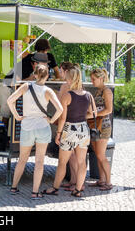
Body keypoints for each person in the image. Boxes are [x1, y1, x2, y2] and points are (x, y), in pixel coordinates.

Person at [6, 65, 63, 199]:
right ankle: (35, 192)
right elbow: (60, 109)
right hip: (42, 127)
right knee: (39, 162)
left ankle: (14, 187)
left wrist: (17, 116)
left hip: (27, 127)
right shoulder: (48, 91)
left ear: (35, 75)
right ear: (47, 76)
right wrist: (50, 119)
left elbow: (10, 101)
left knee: (22, 159)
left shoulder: (26, 86)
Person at [42, 66, 97, 198]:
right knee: (81, 162)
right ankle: (78, 190)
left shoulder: (67, 96)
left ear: (70, 79)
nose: (65, 80)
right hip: (83, 130)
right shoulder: (88, 95)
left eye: (66, 78)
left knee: (62, 162)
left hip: (69, 130)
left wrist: (59, 133)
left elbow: (62, 117)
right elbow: (93, 113)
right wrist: (82, 116)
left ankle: (55, 188)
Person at [0, 51, 50, 125]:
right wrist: (31, 78)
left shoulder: (37, 68)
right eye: (44, 64)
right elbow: (14, 83)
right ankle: (2, 133)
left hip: (16, 89)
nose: (45, 66)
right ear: (35, 63)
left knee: (4, 108)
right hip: (8, 86)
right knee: (6, 113)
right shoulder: (23, 66)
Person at [56, 62, 84, 191]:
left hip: (68, 125)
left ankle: (73, 182)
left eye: (61, 71)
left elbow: (61, 105)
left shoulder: (65, 87)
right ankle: (76, 182)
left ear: (66, 72)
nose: (60, 74)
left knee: (69, 157)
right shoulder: (80, 87)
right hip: (80, 126)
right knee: (77, 158)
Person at [89, 68, 113, 191]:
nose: (91, 81)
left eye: (93, 79)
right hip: (96, 126)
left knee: (101, 155)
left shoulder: (106, 91)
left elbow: (109, 110)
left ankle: (108, 182)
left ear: (101, 78)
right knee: (98, 155)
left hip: (103, 127)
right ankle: (102, 180)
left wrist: (93, 115)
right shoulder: (99, 91)